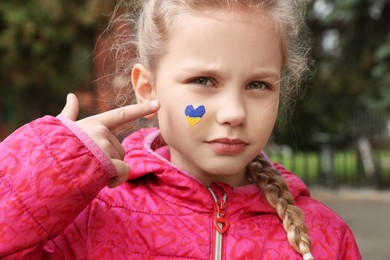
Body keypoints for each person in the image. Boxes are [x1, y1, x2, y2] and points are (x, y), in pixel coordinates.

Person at [0, 0, 361, 259]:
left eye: (258, 85)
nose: (234, 113)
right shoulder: (89, 217)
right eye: (204, 80)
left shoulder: (326, 238)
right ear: (148, 87)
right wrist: (50, 166)